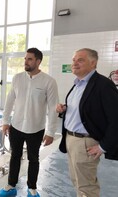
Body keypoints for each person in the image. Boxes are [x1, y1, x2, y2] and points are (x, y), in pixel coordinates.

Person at [0, 48, 59, 197]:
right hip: (16, 126)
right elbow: (10, 100)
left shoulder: (48, 81)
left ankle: (32, 188)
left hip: (36, 128)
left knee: (33, 159)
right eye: (25, 59)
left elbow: (53, 108)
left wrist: (50, 132)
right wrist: (5, 121)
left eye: (30, 59)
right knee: (15, 156)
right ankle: (11, 186)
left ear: (38, 61)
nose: (26, 62)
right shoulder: (18, 78)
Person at [56, 48, 118, 197]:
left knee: (86, 188)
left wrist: (103, 146)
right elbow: (85, 110)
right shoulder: (78, 84)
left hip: (85, 142)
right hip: (71, 139)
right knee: (77, 182)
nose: (75, 63)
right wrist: (64, 110)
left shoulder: (103, 85)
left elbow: (116, 118)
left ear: (93, 63)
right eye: (74, 60)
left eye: (80, 60)